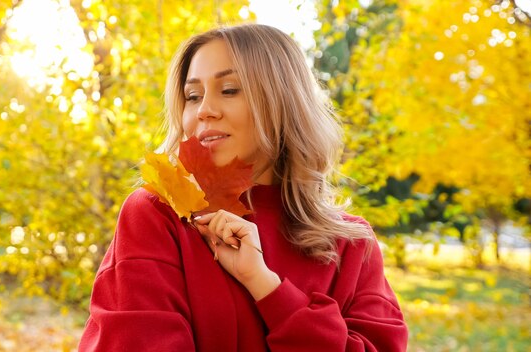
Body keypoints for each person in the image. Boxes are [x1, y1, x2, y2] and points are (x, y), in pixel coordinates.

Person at [78, 24, 408, 351]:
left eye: (230, 89)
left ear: (283, 101)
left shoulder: (352, 244)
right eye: (193, 96)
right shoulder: (159, 214)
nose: (204, 110)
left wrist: (266, 286)